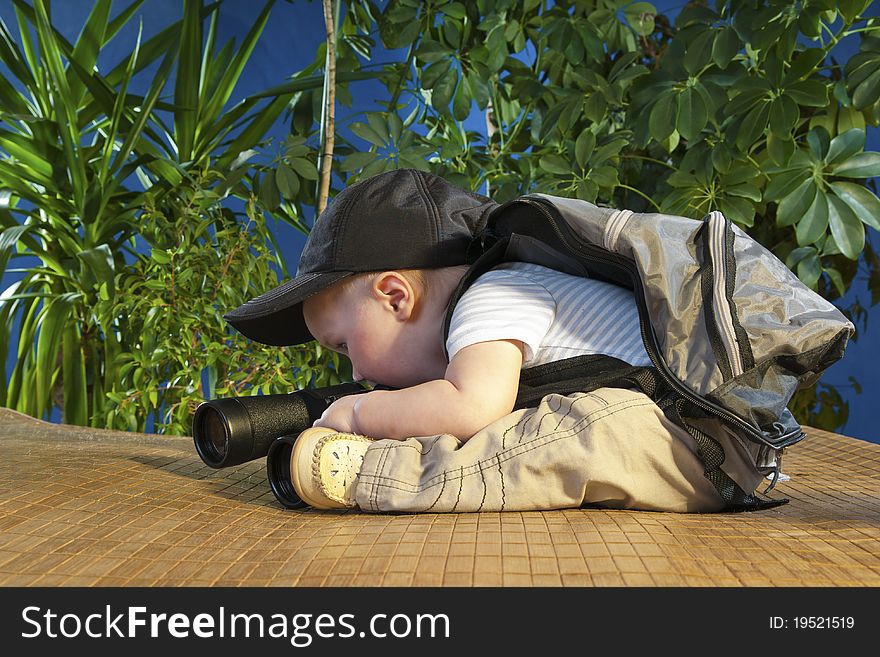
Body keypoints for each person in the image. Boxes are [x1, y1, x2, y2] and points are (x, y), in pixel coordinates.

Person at [225, 169, 763, 514]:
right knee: (539, 430)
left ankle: (381, 475)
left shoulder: (490, 296)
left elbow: (472, 408)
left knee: (545, 439)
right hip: (697, 439)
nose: (355, 368)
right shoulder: (486, 308)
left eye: (342, 345)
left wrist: (359, 416)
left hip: (698, 439)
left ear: (395, 297)